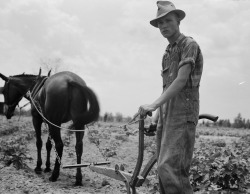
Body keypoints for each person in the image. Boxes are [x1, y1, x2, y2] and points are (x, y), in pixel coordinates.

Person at [138, 1, 203, 193]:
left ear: (178, 21)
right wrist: (156, 116)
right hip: (167, 114)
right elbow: (166, 87)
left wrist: (152, 105)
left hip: (183, 113)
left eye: (168, 20)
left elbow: (181, 81)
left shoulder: (188, 45)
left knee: (171, 169)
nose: (164, 26)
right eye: (160, 23)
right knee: (163, 171)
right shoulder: (167, 52)